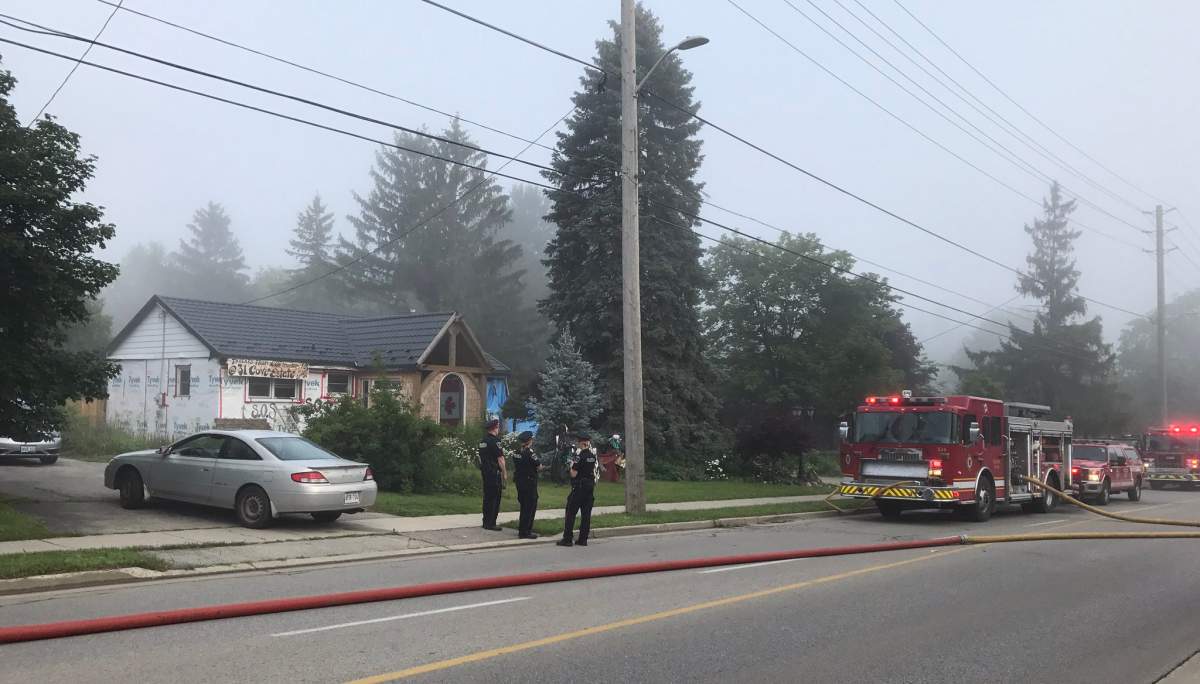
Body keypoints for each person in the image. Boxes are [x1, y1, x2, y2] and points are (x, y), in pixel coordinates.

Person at [557, 434, 597, 547]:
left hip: (579, 487)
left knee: (570, 512)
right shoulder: (592, 456)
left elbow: (573, 474)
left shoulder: (579, 457)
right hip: (589, 487)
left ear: (581, 443)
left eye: (579, 442)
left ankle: (567, 539)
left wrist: (570, 466)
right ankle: (583, 539)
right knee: (586, 514)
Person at [478, 418, 507, 531]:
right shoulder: (495, 441)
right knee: (495, 498)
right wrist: (504, 473)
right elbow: (500, 459)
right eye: (498, 427)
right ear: (495, 428)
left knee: (487, 498)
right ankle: (491, 523)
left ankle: (486, 521)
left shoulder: (483, 441)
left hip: (486, 472)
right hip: (494, 473)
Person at [513, 430, 540, 539]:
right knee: (530, 507)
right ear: (529, 440)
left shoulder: (516, 452)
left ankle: (522, 529)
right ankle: (525, 531)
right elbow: (538, 465)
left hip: (519, 482)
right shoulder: (530, 453)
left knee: (523, 506)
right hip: (529, 482)